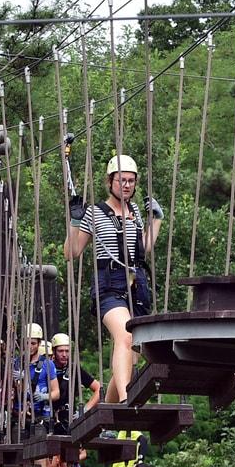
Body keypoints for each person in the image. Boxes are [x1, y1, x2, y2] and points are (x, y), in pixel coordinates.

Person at [64, 155, 163, 405]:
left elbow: (143, 248)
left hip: (136, 284)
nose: (127, 185)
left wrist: (156, 220)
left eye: (131, 181)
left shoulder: (135, 212)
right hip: (109, 284)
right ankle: (126, 398)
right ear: (110, 182)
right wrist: (75, 221)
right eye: (122, 180)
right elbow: (71, 253)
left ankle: (107, 406)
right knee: (126, 336)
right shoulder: (95, 212)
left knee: (132, 355)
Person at [48, 332, 102, 467]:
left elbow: (98, 389)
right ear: (54, 352)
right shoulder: (47, 368)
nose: (64, 355)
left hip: (69, 420)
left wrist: (85, 410)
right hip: (49, 419)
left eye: (66, 351)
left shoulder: (75, 370)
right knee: (51, 463)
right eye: (60, 351)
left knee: (68, 464)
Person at [14, 322, 59, 467]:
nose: (30, 346)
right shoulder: (16, 363)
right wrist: (17, 381)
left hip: (40, 417)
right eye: (28, 342)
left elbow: (56, 393)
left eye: (33, 343)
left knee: (40, 462)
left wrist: (44, 396)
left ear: (38, 343)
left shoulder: (47, 365)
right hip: (21, 416)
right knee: (20, 460)